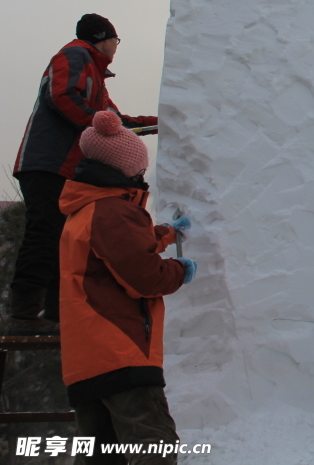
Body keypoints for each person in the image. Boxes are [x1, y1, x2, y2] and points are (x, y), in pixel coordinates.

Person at [59, 110, 195, 464]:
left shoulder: (87, 210)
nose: (141, 175)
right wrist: (179, 270)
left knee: (101, 456)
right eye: (138, 168)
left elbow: (120, 251)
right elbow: (145, 276)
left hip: (87, 358)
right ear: (122, 169)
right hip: (119, 351)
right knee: (153, 447)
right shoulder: (112, 212)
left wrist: (164, 234)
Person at [9, 14, 157, 334]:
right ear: (103, 39)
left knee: (64, 240)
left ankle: (54, 314)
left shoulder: (97, 79)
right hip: (47, 162)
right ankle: (23, 314)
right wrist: (97, 124)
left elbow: (115, 121)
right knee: (45, 233)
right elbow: (61, 97)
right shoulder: (75, 55)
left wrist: (159, 123)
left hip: (65, 170)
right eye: (115, 42)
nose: (116, 48)